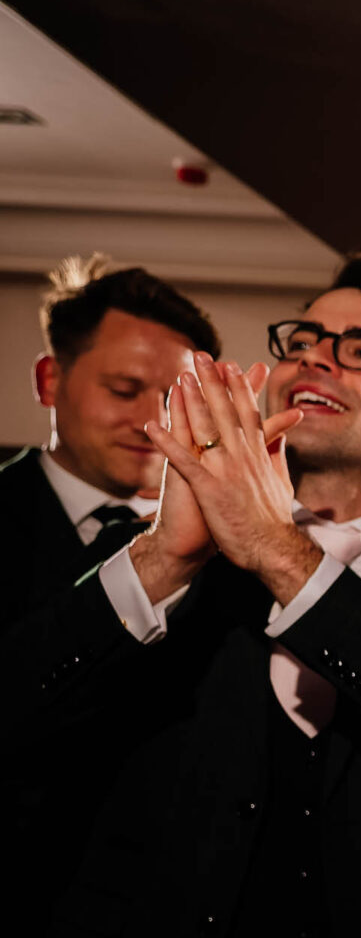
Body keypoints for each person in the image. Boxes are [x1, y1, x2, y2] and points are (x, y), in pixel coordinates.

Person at [3, 255, 361, 935]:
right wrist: (163, 558)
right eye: (303, 341)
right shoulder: (146, 552)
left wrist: (278, 550)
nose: (316, 359)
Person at [0, 253, 220, 933]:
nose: (153, 424)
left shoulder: (230, 549)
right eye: (125, 390)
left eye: (174, 403)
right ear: (49, 379)